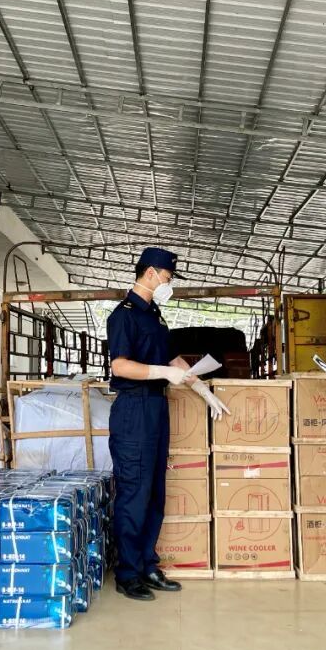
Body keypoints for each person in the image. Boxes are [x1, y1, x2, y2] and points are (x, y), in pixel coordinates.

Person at [107, 247, 231, 601]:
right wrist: (162, 372)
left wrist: (202, 389)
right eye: (168, 277)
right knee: (134, 492)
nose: (169, 283)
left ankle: (147, 564)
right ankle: (128, 573)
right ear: (150, 273)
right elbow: (120, 366)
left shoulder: (155, 315)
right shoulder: (124, 315)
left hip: (156, 408)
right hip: (134, 410)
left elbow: (173, 359)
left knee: (154, 492)